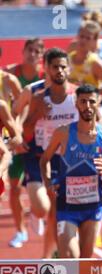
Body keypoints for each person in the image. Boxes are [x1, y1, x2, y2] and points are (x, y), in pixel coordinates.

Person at [40, 84, 102, 258]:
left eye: (91, 102)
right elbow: (45, 160)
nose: (87, 106)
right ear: (76, 103)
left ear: (98, 104)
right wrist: (48, 183)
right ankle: (60, 251)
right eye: (83, 101)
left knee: (85, 261)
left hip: (93, 207)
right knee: (70, 257)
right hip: (67, 206)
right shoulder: (63, 132)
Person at [22, 47, 79, 258]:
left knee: (55, 212)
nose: (60, 71)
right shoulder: (37, 97)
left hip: (64, 161)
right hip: (39, 159)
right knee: (42, 209)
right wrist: (37, 113)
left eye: (63, 67)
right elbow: (25, 131)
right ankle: (36, 218)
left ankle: (48, 257)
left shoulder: (77, 97)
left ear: (68, 69)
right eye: (55, 67)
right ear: (46, 68)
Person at [5, 38, 45, 247]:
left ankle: (38, 212)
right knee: (13, 185)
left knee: (45, 187)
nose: (33, 54)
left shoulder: (45, 78)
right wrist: (14, 133)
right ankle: (20, 231)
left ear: (42, 55)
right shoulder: (10, 74)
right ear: (23, 51)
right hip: (13, 136)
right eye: (30, 50)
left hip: (38, 139)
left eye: (38, 51)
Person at [68, 9, 102, 120]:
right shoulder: (75, 46)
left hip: (98, 90)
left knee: (97, 122)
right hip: (75, 95)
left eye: (98, 26)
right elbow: (67, 66)